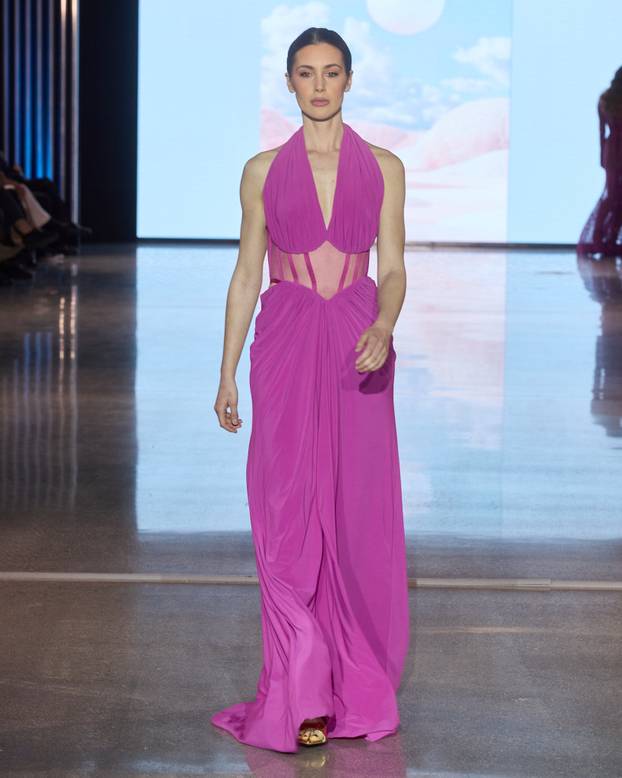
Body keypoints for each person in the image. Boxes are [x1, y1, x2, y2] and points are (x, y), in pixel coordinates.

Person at [211, 27, 409, 753]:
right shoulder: (262, 170)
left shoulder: (384, 167)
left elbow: (393, 267)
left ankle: (349, 683)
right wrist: (227, 370)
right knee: (286, 508)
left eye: (330, 72)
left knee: (353, 514)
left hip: (358, 339)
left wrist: (384, 322)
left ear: (349, 80)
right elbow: (246, 273)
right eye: (305, 72)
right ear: (289, 81)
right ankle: (299, 687)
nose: (319, 85)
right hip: (287, 339)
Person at [578, 66, 622, 257]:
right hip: (614, 150)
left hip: (611, 149)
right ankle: (606, 238)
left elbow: (601, 131)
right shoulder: (607, 99)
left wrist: (602, 156)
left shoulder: (605, 99)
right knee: (615, 196)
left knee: (613, 195)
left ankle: (602, 238)